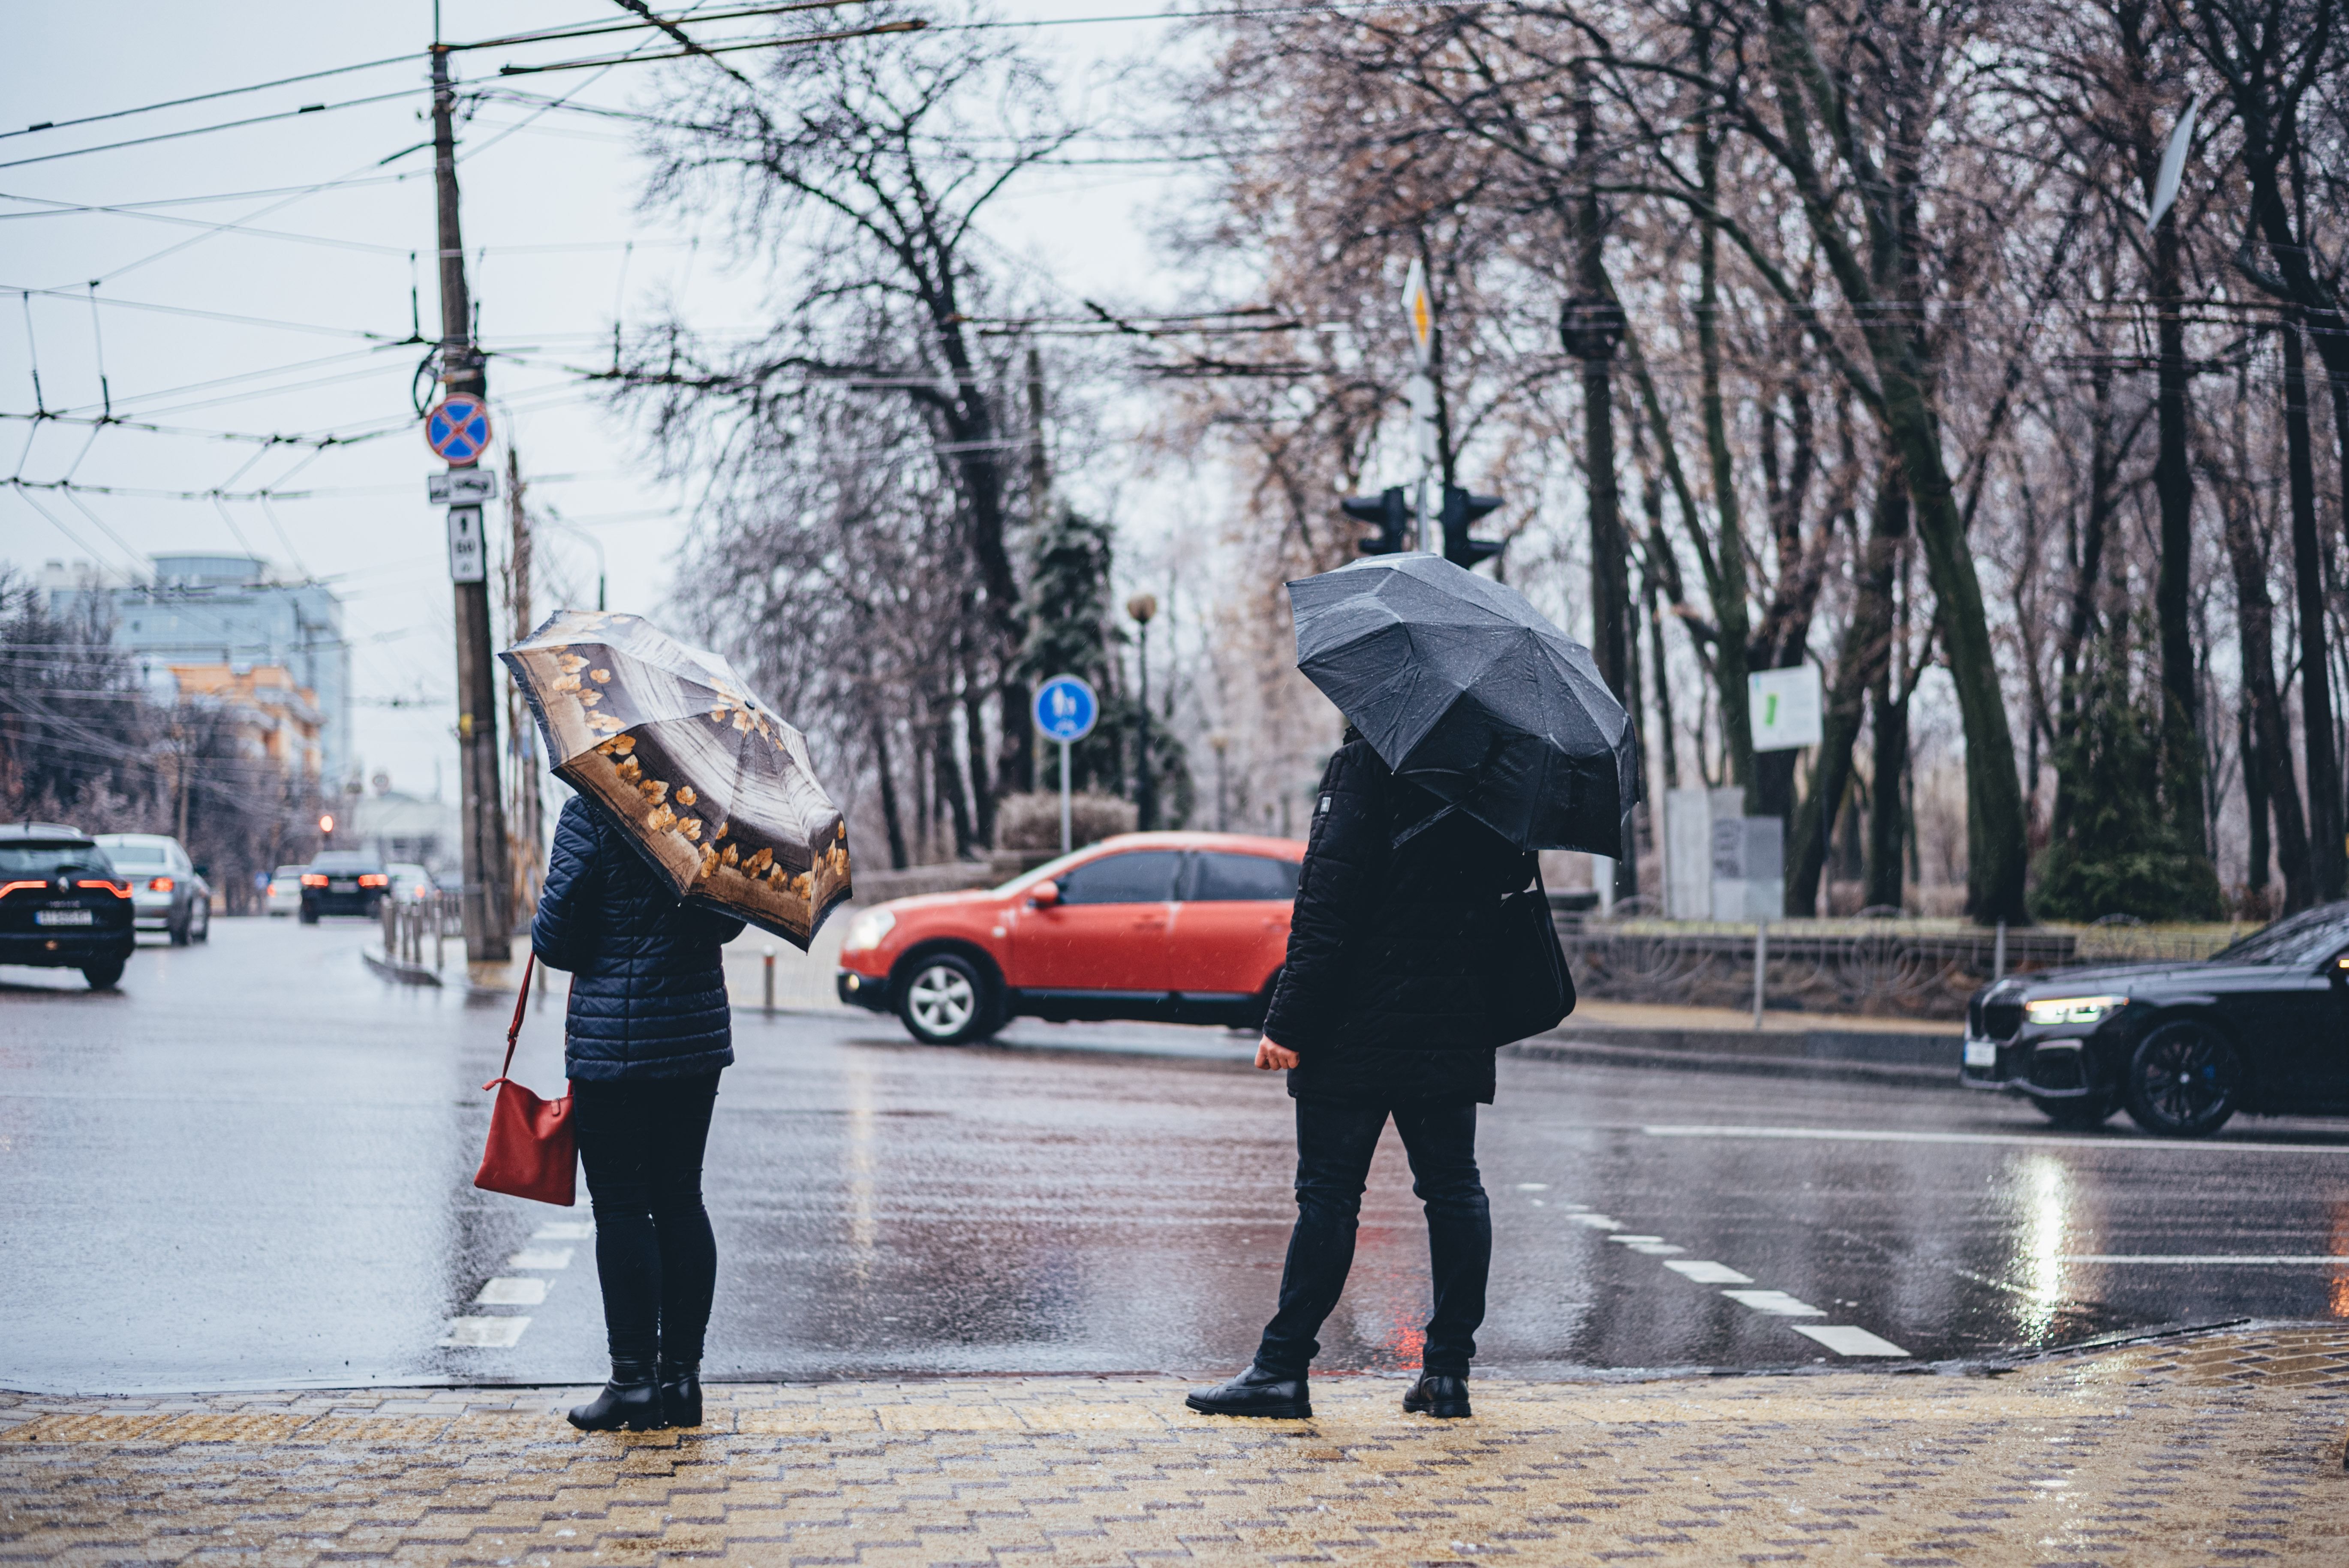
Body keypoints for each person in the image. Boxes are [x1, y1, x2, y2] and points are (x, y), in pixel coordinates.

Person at [1186, 727, 1530, 1421]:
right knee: (1455, 1189)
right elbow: (1507, 886)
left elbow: (1327, 905)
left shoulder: (1368, 761)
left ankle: (1282, 1368)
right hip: (1450, 1021)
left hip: (1355, 1025)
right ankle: (1448, 1374)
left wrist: (1287, 1022)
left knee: (1330, 1195)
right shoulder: (1493, 768)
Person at [532, 791, 744, 1433]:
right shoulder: (709, 810)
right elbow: (730, 921)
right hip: (695, 1037)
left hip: (613, 1044)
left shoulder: (593, 810)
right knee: (682, 1199)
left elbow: (556, 939)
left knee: (623, 1206)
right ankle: (682, 1383)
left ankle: (633, 1384)